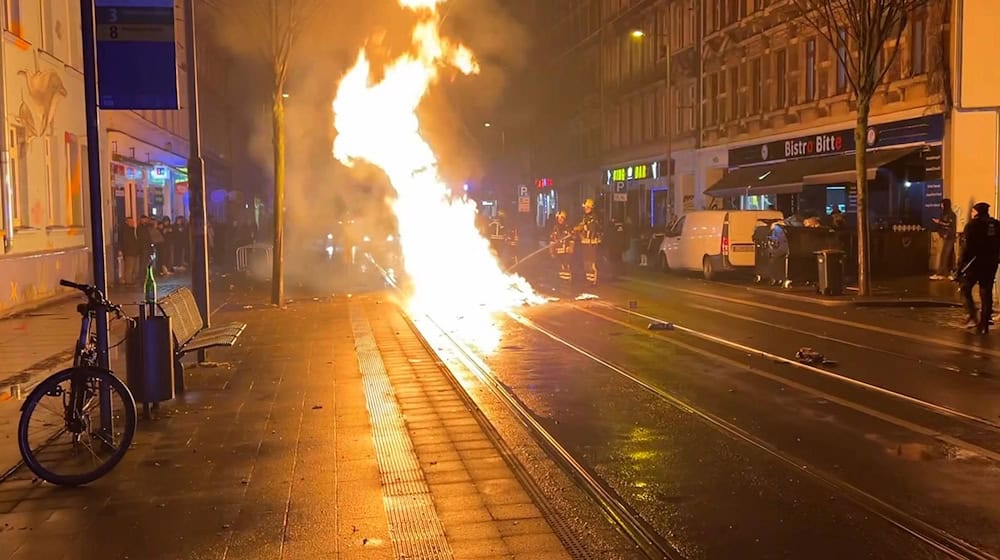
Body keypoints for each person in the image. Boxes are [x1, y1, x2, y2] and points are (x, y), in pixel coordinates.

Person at [958, 202, 1000, 334]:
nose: (971, 213)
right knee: (986, 293)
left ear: (977, 212)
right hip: (991, 263)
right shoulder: (996, 224)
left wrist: (959, 267)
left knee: (965, 288)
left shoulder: (972, 225)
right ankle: (984, 324)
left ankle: (973, 315)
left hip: (974, 263)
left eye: (972, 211)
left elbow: (966, 247)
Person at [575, 198, 603, 286]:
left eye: (587, 208)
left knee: (591, 263)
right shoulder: (585, 217)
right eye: (585, 208)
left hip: (592, 244)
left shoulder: (594, 218)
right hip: (585, 243)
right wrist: (577, 229)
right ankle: (589, 280)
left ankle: (593, 281)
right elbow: (582, 225)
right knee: (586, 262)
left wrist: (582, 228)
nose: (585, 209)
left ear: (591, 208)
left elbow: (591, 228)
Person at [931, 198, 957, 280]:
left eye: (942, 204)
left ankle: (945, 272)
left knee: (946, 255)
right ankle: (944, 272)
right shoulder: (943, 214)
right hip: (944, 236)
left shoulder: (951, 215)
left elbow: (949, 225)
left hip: (949, 237)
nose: (941, 206)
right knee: (945, 254)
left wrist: (939, 222)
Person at [549, 210, 574, 282]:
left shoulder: (568, 228)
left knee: (566, 266)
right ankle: (562, 281)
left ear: (564, 219)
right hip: (558, 252)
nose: (560, 220)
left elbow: (572, 239)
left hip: (566, 252)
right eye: (558, 218)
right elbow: (552, 240)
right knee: (559, 266)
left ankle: (567, 281)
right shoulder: (555, 229)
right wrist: (551, 251)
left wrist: (571, 248)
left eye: (561, 218)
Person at [118, 216, 140, 286]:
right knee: (129, 267)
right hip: (129, 252)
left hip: (134, 251)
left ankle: (131, 280)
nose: (133, 223)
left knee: (134, 267)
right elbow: (125, 242)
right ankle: (128, 281)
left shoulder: (132, 230)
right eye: (131, 222)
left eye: (133, 222)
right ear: (127, 222)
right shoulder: (125, 230)